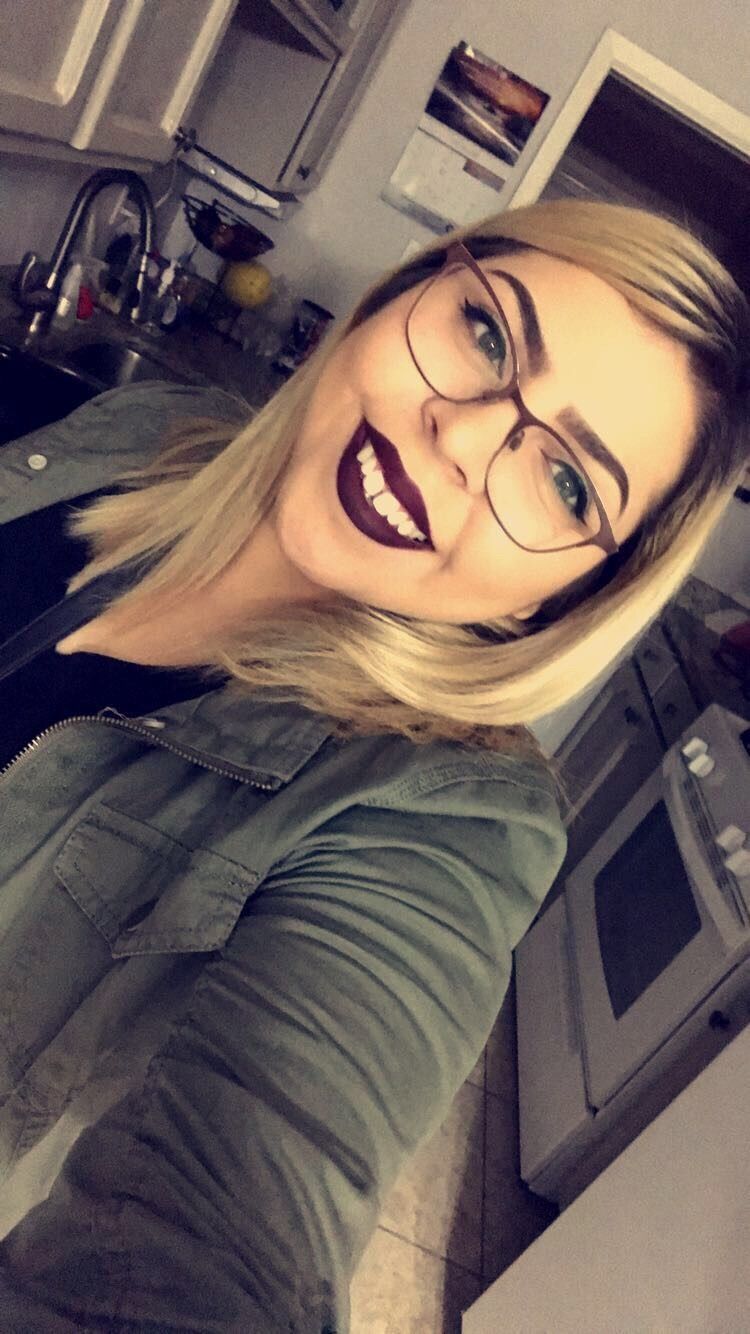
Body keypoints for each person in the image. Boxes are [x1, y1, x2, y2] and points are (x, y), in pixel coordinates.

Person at [0, 196, 747, 1331]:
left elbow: (228, 1236)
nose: (463, 439)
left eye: (566, 483)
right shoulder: (148, 426)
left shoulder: (446, 823)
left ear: (557, 601)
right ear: (405, 292)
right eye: (488, 334)